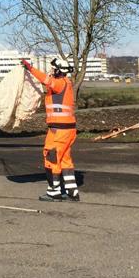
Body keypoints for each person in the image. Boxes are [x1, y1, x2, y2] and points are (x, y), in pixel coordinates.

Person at [22, 57, 79, 201]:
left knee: (51, 158)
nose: (51, 71)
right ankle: (72, 191)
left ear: (59, 71)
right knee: (65, 159)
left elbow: (46, 80)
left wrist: (30, 68)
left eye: (54, 69)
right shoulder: (66, 83)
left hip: (58, 130)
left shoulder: (59, 83)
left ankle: (54, 192)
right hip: (68, 129)